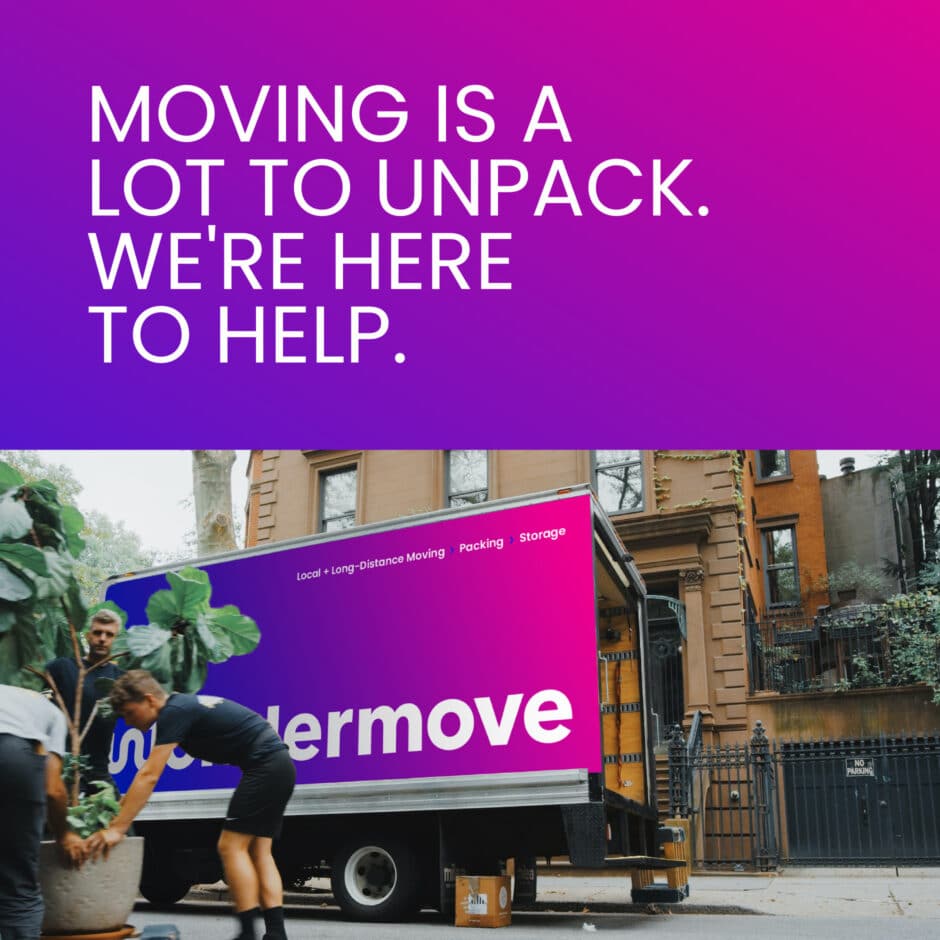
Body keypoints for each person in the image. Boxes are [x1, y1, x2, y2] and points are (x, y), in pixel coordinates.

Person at [86, 670, 295, 940]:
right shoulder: (181, 707)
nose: (127, 721)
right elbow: (143, 781)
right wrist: (117, 811)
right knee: (259, 851)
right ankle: (276, 933)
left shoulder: (173, 711)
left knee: (230, 846)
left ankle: (247, 933)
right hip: (278, 765)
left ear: (149, 700)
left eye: (128, 712)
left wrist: (118, 829)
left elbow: (149, 775)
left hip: (266, 766)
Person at [0, 684, 85, 940]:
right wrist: (65, 835)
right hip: (14, 758)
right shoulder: (52, 713)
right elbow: (53, 789)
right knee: (18, 885)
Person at [45, 608, 125, 791]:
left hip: (99, 771)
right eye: (97, 632)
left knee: (118, 818)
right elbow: (29, 683)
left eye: (109, 634)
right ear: (88, 635)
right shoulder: (63, 668)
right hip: (65, 767)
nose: (102, 638)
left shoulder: (120, 679)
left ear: (115, 639)